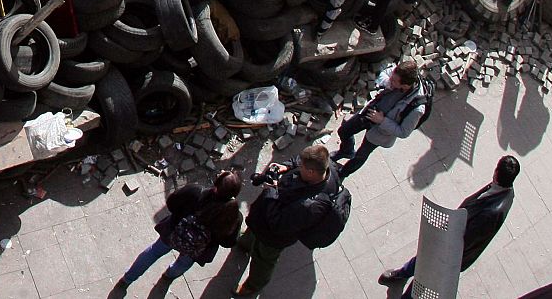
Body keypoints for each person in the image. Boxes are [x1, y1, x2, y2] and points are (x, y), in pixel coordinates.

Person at [379, 156, 519, 297]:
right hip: (451, 234)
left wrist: (443, 247)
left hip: (452, 250)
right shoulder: (502, 189)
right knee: (423, 257)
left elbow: (468, 240)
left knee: (427, 273)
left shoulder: (492, 212)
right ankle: (403, 273)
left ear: (496, 172)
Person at [231, 144, 346, 297]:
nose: (298, 165)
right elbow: (298, 160)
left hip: (273, 236)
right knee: (252, 234)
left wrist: (270, 190)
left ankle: (253, 285)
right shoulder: (326, 167)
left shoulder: (309, 206)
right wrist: (285, 166)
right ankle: (246, 244)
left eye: (301, 167)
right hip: (261, 220)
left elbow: (278, 223)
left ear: (311, 172)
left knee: (263, 261)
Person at [113, 170, 243, 291]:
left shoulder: (195, 192)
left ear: (216, 185)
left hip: (173, 233)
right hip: (197, 250)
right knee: (183, 263)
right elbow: (228, 243)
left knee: (153, 253)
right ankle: (168, 276)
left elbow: (171, 203)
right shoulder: (234, 217)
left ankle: (127, 279)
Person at [331, 58, 430, 177]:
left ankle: (343, 174)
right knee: (344, 131)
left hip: (381, 131)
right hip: (371, 112)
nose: (391, 80)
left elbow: (403, 132)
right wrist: (389, 82)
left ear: (405, 85)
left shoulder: (417, 109)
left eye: (394, 81)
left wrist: (382, 121)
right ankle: (346, 151)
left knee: (361, 155)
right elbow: (383, 73)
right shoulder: (400, 74)